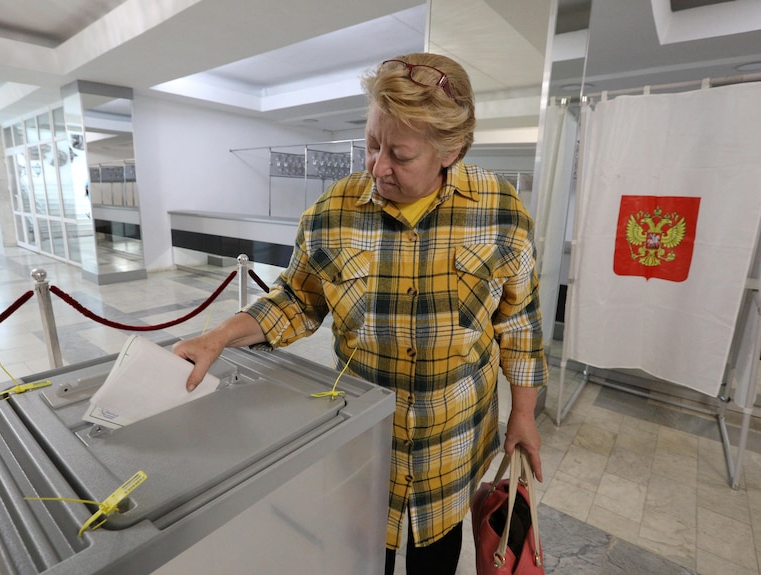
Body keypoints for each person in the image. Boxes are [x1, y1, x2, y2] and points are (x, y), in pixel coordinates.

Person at [173, 52, 547, 575]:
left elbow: (519, 324)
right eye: (372, 143)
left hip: (453, 443)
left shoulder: (501, 212)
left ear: (450, 150)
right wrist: (220, 336)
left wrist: (524, 414)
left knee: (435, 561)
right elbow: (297, 300)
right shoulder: (332, 212)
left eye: (400, 154)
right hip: (363, 445)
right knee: (356, 560)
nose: (377, 166)